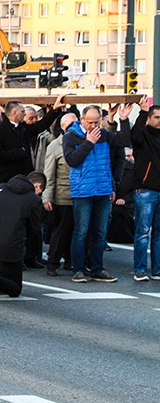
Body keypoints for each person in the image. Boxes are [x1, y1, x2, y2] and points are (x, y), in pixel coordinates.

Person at [63, 105, 126, 283]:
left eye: (96, 122)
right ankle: (78, 269)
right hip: (82, 190)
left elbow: (123, 142)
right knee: (81, 231)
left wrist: (119, 120)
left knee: (100, 232)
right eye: (90, 122)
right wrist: (88, 142)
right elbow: (72, 161)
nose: (93, 125)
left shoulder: (104, 135)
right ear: (81, 120)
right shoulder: (71, 136)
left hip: (103, 189)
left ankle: (97, 268)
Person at [0, 172, 46, 300]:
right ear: (38, 186)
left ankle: (0, 281)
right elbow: (34, 228)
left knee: (8, 267)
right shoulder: (33, 199)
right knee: (16, 289)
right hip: (11, 247)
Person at [0, 98, 64, 186]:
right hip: (7, 180)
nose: (24, 114)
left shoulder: (23, 128)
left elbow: (41, 125)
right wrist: (20, 152)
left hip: (25, 179)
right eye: (22, 111)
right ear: (15, 113)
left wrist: (54, 109)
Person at [42, 113, 78, 276]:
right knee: (61, 231)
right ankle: (53, 262)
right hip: (62, 194)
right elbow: (49, 174)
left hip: (82, 194)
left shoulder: (85, 141)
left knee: (78, 231)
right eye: (70, 124)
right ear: (63, 126)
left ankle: (72, 260)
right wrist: (47, 196)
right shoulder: (55, 145)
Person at [129, 96, 160, 281]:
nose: (159, 121)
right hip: (146, 190)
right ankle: (139, 269)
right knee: (142, 232)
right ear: (149, 119)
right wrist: (141, 112)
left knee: (158, 233)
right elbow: (134, 136)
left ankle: (157, 269)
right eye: (156, 117)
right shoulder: (143, 134)